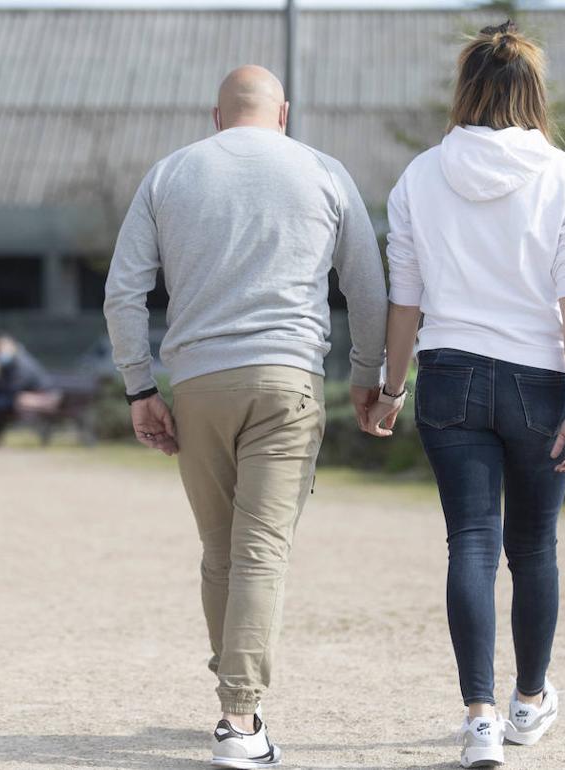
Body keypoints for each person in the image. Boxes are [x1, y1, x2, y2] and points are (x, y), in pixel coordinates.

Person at [103, 65, 387, 769]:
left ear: (216, 115)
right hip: (288, 378)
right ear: (282, 113)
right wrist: (365, 379)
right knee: (261, 550)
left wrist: (141, 388)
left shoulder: (169, 175)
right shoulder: (323, 171)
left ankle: (238, 699)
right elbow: (369, 290)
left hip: (198, 383)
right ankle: (239, 718)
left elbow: (122, 293)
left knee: (221, 549)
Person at [364, 19, 565, 769]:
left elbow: (406, 300)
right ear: (535, 93)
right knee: (533, 549)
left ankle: (479, 719)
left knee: (469, 541)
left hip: (450, 374)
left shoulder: (420, 176)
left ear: (465, 89)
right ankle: (530, 702)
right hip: (538, 378)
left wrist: (390, 387)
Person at [0, 333, 55, 446]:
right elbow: (1, 386)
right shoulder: (10, 363)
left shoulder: (22, 363)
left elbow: (13, 387)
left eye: (0, 350)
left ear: (12, 347)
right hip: (23, 396)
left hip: (41, 397)